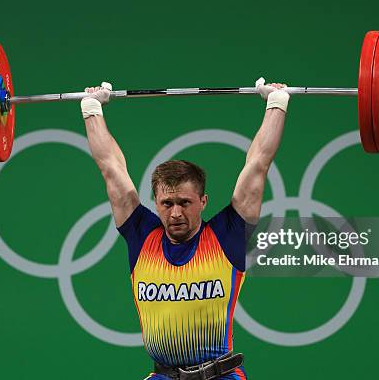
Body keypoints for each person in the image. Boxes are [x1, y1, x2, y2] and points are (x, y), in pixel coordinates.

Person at [81, 78, 290, 380]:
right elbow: (110, 167)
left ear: (203, 201)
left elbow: (259, 163)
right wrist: (91, 109)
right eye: (167, 203)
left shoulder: (227, 234)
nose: (176, 212)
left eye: (185, 202)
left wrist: (276, 103)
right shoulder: (142, 235)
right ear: (155, 202)